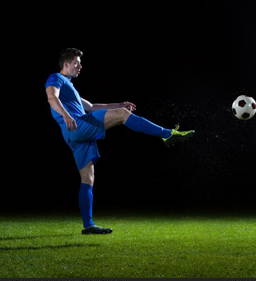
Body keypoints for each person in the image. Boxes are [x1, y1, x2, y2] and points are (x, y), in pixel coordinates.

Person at [45, 48, 194, 234]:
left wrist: (119, 104)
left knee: (87, 179)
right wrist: (67, 116)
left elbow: (91, 107)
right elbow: (52, 97)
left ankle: (88, 225)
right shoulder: (56, 78)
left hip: (74, 134)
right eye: (77, 63)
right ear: (66, 64)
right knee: (124, 116)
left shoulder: (70, 86)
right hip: (77, 126)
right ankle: (166, 133)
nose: (80, 66)